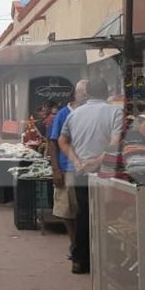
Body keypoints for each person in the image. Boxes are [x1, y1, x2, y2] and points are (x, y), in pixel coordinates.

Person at [58, 78, 123, 275]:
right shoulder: (115, 112)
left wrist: (76, 161)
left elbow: (62, 140)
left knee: (84, 215)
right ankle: (109, 262)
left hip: (81, 172)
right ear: (106, 93)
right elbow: (115, 142)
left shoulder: (75, 114)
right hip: (106, 173)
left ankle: (80, 260)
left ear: (88, 94)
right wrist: (97, 161)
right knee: (110, 216)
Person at [47, 80, 87, 261]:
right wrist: (56, 169)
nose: (85, 97)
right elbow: (53, 142)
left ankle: (83, 245)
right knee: (67, 210)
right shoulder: (63, 114)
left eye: (88, 93)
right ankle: (74, 243)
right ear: (75, 94)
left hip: (89, 169)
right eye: (82, 93)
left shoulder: (91, 113)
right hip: (67, 168)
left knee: (84, 210)